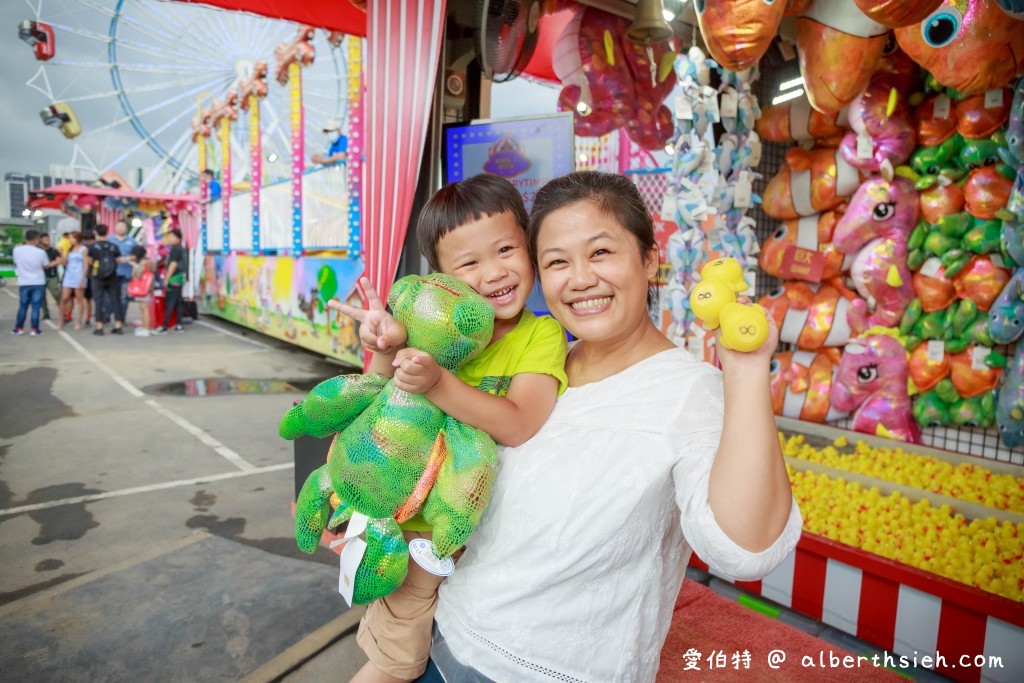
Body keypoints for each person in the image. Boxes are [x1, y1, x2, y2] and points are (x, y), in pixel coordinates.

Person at [414, 172, 803, 683]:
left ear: (648, 260)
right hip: (446, 633)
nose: (579, 279)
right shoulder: (539, 366)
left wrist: (747, 373)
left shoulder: (689, 392)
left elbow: (745, 549)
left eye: (600, 253)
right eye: (556, 261)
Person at [331, 173, 568, 683]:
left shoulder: (540, 333)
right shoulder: (425, 329)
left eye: (506, 249)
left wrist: (437, 383)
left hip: (489, 546)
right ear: (440, 279)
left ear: (529, 248)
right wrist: (386, 348)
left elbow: (522, 423)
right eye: (468, 263)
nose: (493, 272)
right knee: (396, 666)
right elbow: (375, 404)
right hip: (410, 535)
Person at [12, 229, 61, 336]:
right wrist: (53, 263)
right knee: (36, 306)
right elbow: (45, 265)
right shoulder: (40, 252)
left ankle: (19, 328)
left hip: (24, 281)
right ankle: (34, 329)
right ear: (36, 240)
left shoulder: (17, 250)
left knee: (23, 306)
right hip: (38, 281)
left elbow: (16, 262)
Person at [86, 224, 127, 336]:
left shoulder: (92, 247)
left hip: (97, 277)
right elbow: (117, 260)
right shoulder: (113, 246)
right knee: (115, 300)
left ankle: (99, 326)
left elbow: (89, 261)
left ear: (96, 233)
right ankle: (118, 324)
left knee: (99, 301)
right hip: (112, 276)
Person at [154, 228, 186, 333]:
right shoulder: (180, 248)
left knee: (170, 302)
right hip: (179, 278)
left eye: (172, 236)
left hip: (174, 278)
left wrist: (166, 279)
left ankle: (165, 325)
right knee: (177, 302)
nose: (169, 239)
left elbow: (173, 264)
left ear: (178, 238)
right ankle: (179, 325)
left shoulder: (176, 249)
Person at [108, 219, 138, 321]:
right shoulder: (110, 240)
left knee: (124, 297)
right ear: (115, 227)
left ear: (126, 228)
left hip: (126, 273)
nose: (120, 228)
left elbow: (137, 255)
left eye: (123, 226)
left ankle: (121, 318)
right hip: (111, 273)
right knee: (111, 296)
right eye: (119, 226)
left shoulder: (132, 241)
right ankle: (109, 315)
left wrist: (127, 258)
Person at [60, 231, 88, 330]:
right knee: (64, 298)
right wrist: (61, 255)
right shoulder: (69, 249)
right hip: (68, 275)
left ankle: (78, 321)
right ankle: (61, 321)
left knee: (79, 299)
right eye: (70, 238)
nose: (70, 240)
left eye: (72, 238)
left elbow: (85, 264)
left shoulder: (83, 249)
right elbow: (65, 263)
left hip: (79, 275)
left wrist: (83, 278)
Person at [128, 245, 154, 337]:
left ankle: (146, 328)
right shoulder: (149, 262)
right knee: (144, 308)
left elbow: (138, 275)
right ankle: (144, 326)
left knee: (144, 309)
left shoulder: (143, 263)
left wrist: (134, 266)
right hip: (147, 288)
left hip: (142, 288)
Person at [39, 233, 62, 321]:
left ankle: (63, 311)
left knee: (57, 294)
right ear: (41, 240)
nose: (47, 241)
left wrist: (48, 265)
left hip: (52, 276)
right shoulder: (38, 250)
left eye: (48, 239)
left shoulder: (53, 250)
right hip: (40, 277)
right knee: (41, 296)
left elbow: (58, 260)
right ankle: (46, 313)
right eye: (45, 239)